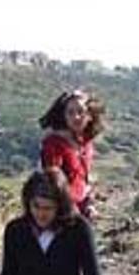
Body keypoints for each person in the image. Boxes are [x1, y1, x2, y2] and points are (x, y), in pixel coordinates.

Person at [39, 90, 107, 219]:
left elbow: (83, 179)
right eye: (70, 112)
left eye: (81, 112)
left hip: (82, 212)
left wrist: (89, 203)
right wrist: (70, 210)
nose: (76, 117)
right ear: (63, 116)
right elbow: (53, 181)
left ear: (90, 115)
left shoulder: (86, 143)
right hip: (61, 215)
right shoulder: (54, 144)